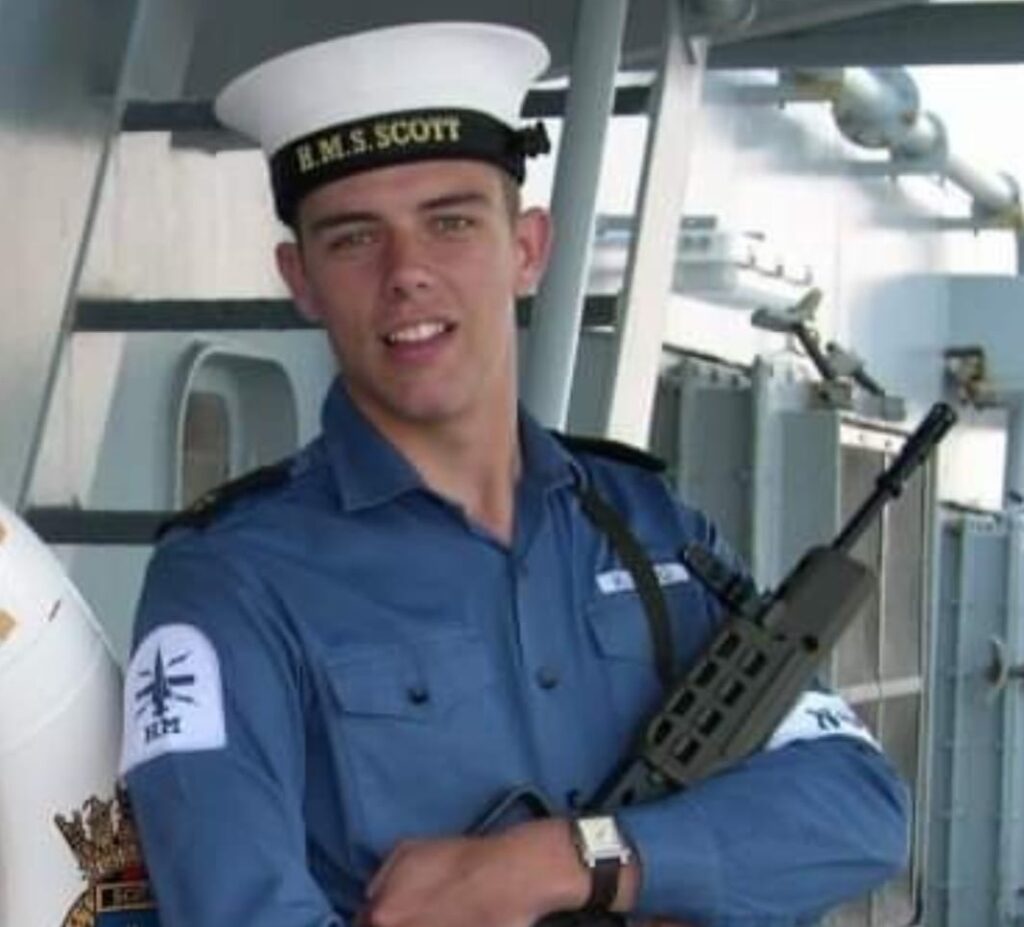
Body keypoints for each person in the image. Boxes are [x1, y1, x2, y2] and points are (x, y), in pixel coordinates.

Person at [120, 21, 909, 927]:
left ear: (527, 248)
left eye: (450, 222)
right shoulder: (228, 584)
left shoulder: (647, 525)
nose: (407, 274)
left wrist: (574, 859)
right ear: (301, 279)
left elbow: (860, 806)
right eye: (352, 239)